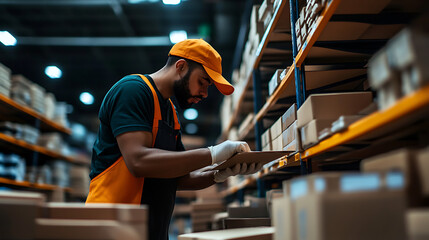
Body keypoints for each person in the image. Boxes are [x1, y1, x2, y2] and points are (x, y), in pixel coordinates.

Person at [86, 39, 263, 240]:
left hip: (151, 232)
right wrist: (213, 153)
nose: (205, 93)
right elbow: (138, 161)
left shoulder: (170, 112)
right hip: (112, 228)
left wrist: (221, 172)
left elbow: (179, 177)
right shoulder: (132, 91)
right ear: (181, 66)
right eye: (203, 82)